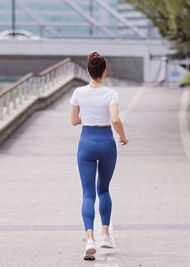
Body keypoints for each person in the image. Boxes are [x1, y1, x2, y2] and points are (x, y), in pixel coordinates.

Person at [70, 52, 129, 260]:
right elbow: (115, 119)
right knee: (103, 190)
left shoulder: (78, 93)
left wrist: (87, 114)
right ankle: (105, 235)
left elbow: (74, 121)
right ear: (105, 71)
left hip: (86, 143)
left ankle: (89, 239)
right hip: (106, 143)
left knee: (88, 194)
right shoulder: (111, 94)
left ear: (88, 71)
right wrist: (123, 136)